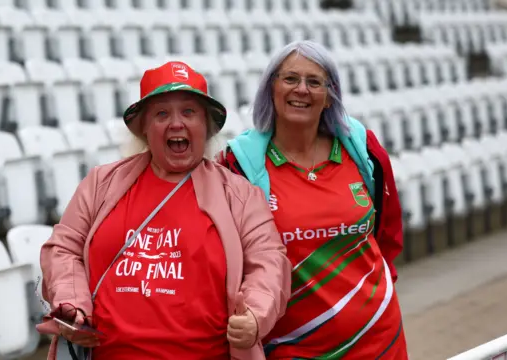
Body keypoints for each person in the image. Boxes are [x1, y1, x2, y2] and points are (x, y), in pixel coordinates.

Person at [36, 60, 292, 360]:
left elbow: (269, 261)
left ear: (207, 127)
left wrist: (254, 316)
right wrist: (73, 303)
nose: (176, 123)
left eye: (188, 112)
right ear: (144, 128)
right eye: (161, 113)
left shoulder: (240, 195)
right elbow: (62, 249)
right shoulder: (100, 183)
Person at [216, 40, 408, 359]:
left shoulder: (364, 150)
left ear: (330, 96)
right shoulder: (237, 166)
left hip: (379, 340)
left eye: (314, 81)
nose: (301, 89)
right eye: (290, 78)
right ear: (271, 88)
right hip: (290, 346)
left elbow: (388, 234)